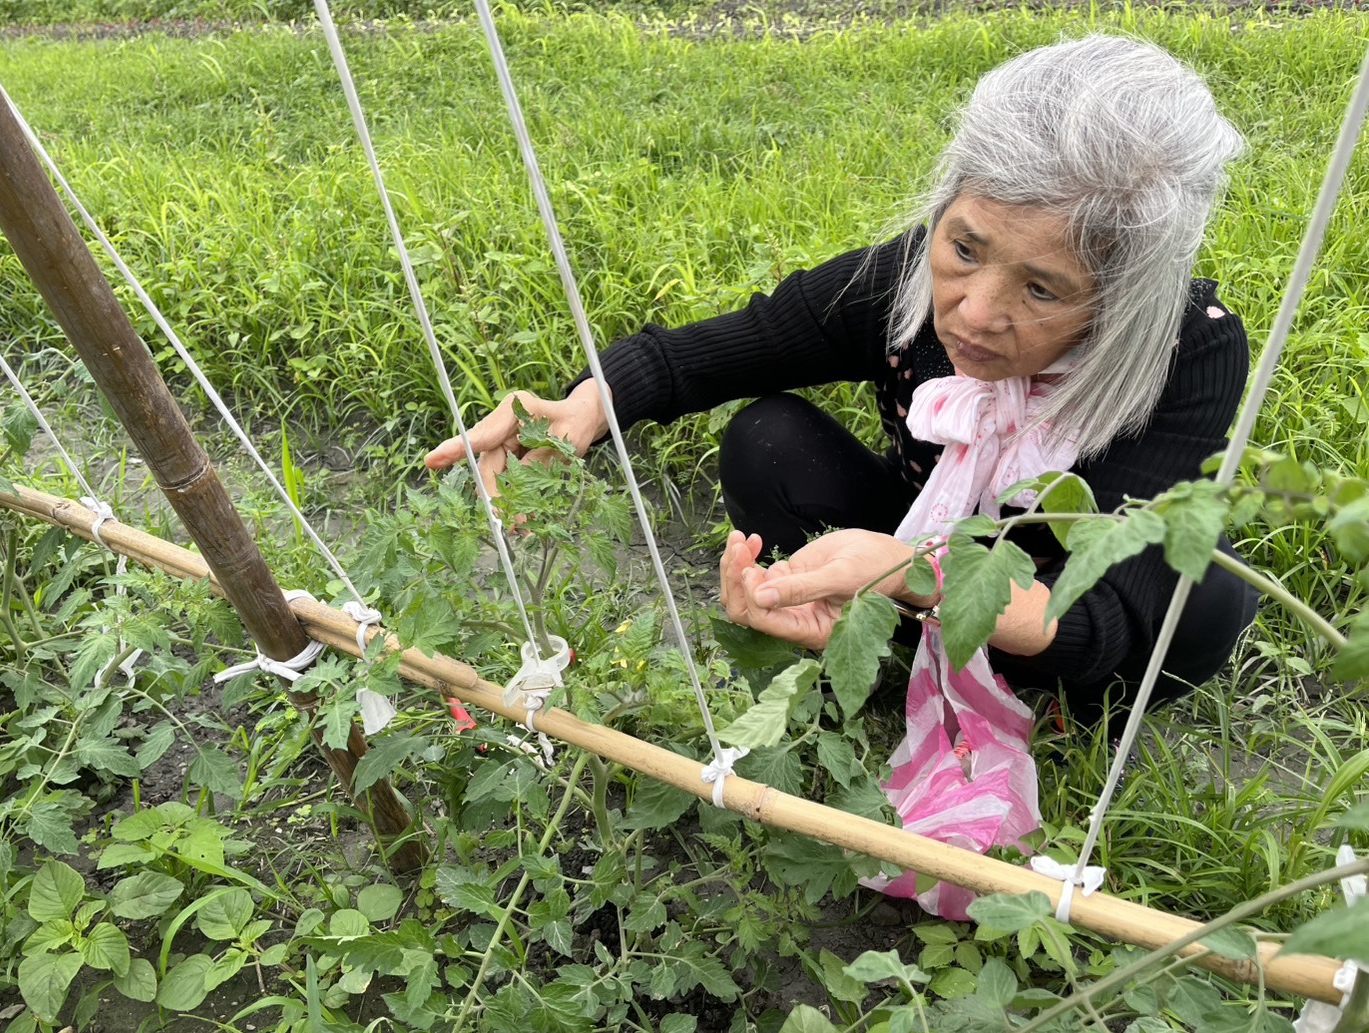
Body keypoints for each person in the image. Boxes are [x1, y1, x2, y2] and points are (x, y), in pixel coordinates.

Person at [424, 34, 1258, 725]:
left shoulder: (1187, 353)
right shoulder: (903, 278)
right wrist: (579, 408)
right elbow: (713, 352)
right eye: (964, 248)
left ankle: (1006, 691)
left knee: (1206, 594)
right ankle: (875, 643)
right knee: (768, 438)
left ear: (1121, 298)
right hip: (913, 549)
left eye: (1041, 289)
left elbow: (1103, 610)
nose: (972, 311)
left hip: (1060, 619)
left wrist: (907, 569)